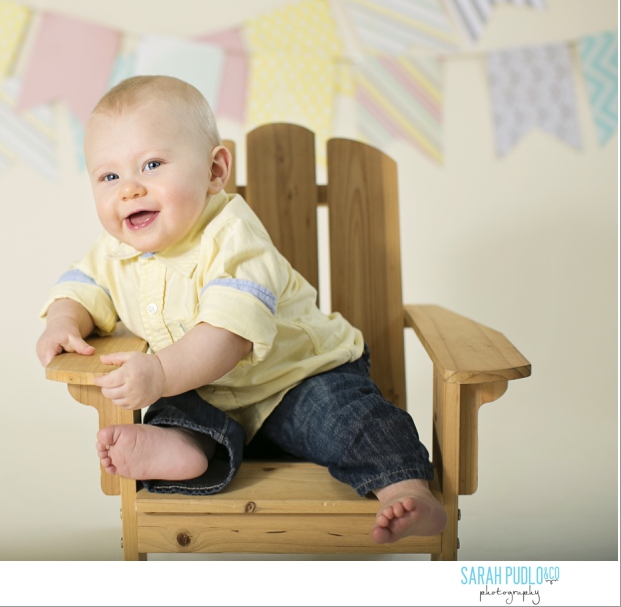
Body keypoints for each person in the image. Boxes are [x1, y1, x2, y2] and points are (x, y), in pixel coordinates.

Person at [35, 75, 446, 543]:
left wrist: (157, 375)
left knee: (347, 419)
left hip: (296, 378)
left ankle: (406, 490)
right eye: (109, 176)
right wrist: (64, 319)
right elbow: (84, 284)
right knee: (177, 410)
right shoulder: (115, 249)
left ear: (214, 170)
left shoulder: (233, 237)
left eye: (151, 164)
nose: (128, 189)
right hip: (209, 389)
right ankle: (182, 447)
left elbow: (226, 336)